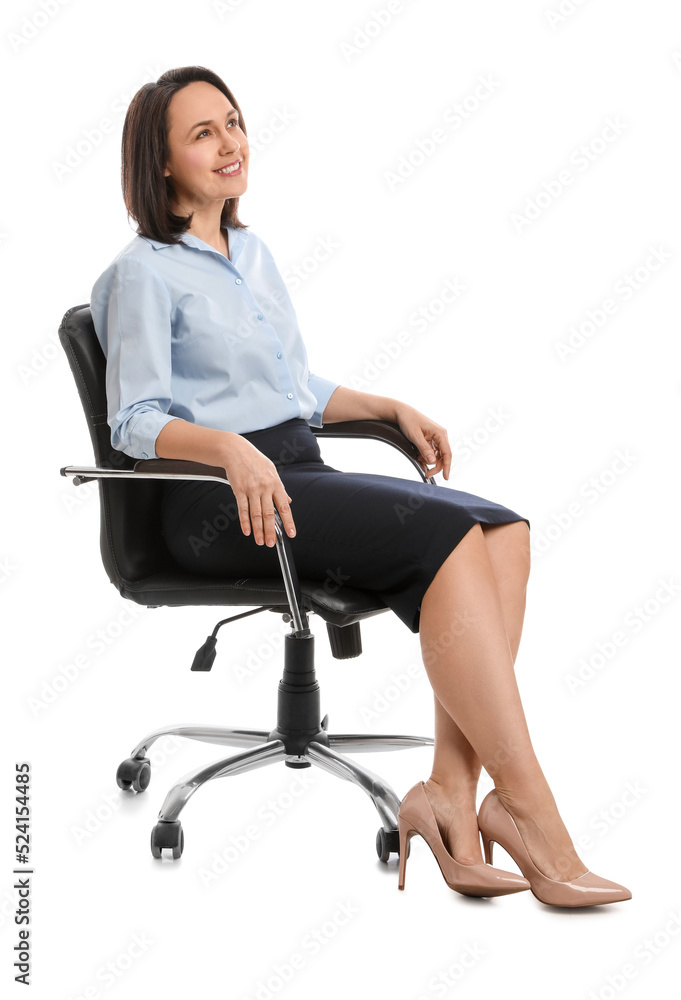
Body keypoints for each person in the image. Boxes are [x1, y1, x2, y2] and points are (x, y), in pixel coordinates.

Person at [90, 65, 631, 907]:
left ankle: (450, 796)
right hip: (215, 502)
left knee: (502, 531)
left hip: (293, 473)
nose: (230, 143)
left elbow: (289, 387)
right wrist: (227, 449)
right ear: (160, 163)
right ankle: (533, 814)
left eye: (232, 122)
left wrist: (383, 406)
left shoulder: (250, 252)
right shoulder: (142, 273)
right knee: (446, 535)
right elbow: (133, 421)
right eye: (202, 133)